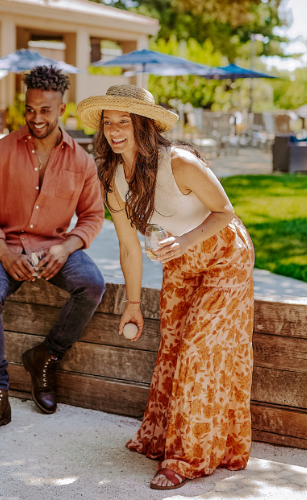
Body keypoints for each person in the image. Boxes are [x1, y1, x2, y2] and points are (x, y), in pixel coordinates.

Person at [76, 85, 255, 490]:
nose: (115, 130)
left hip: (225, 256)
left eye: (125, 121)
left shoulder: (180, 163)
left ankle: (187, 458)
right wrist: (133, 303)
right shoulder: (113, 180)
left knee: (200, 351)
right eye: (108, 122)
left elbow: (226, 211)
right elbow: (128, 247)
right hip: (179, 262)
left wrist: (188, 241)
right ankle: (163, 437)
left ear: (145, 125)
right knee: (172, 347)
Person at [0, 65, 106, 438]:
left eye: (45, 110)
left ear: (62, 108)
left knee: (92, 284)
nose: (36, 118)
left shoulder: (81, 161)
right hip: (5, 245)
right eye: (30, 109)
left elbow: (94, 216)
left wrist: (66, 248)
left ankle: (45, 356)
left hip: (54, 248)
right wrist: (1, 251)